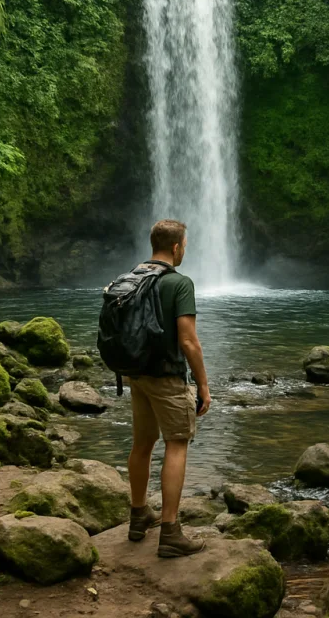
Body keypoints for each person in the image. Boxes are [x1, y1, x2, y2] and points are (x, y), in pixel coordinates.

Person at [124, 219, 211, 557]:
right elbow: (189, 341)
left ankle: (138, 514)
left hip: (137, 375)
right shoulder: (179, 283)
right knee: (177, 444)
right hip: (167, 377)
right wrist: (203, 384)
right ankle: (171, 532)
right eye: (185, 245)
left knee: (142, 443)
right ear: (177, 247)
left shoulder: (134, 277)